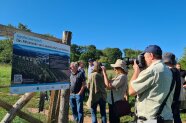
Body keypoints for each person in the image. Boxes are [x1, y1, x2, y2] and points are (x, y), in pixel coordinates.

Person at [129, 45, 174, 123]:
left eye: (145, 57)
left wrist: (136, 70)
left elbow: (131, 91)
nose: (144, 60)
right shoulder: (167, 70)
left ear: (151, 55)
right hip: (166, 117)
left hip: (151, 119)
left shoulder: (152, 70)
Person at [101, 59, 128, 123]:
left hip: (115, 103)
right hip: (113, 102)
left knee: (114, 120)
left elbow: (108, 86)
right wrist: (102, 74)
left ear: (120, 68)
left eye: (115, 68)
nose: (114, 69)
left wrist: (104, 73)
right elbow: (107, 83)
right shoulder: (118, 76)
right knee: (113, 120)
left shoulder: (122, 77)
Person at [163, 52, 182, 123]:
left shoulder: (170, 71)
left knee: (173, 117)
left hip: (171, 100)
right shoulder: (176, 71)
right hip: (176, 98)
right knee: (176, 116)